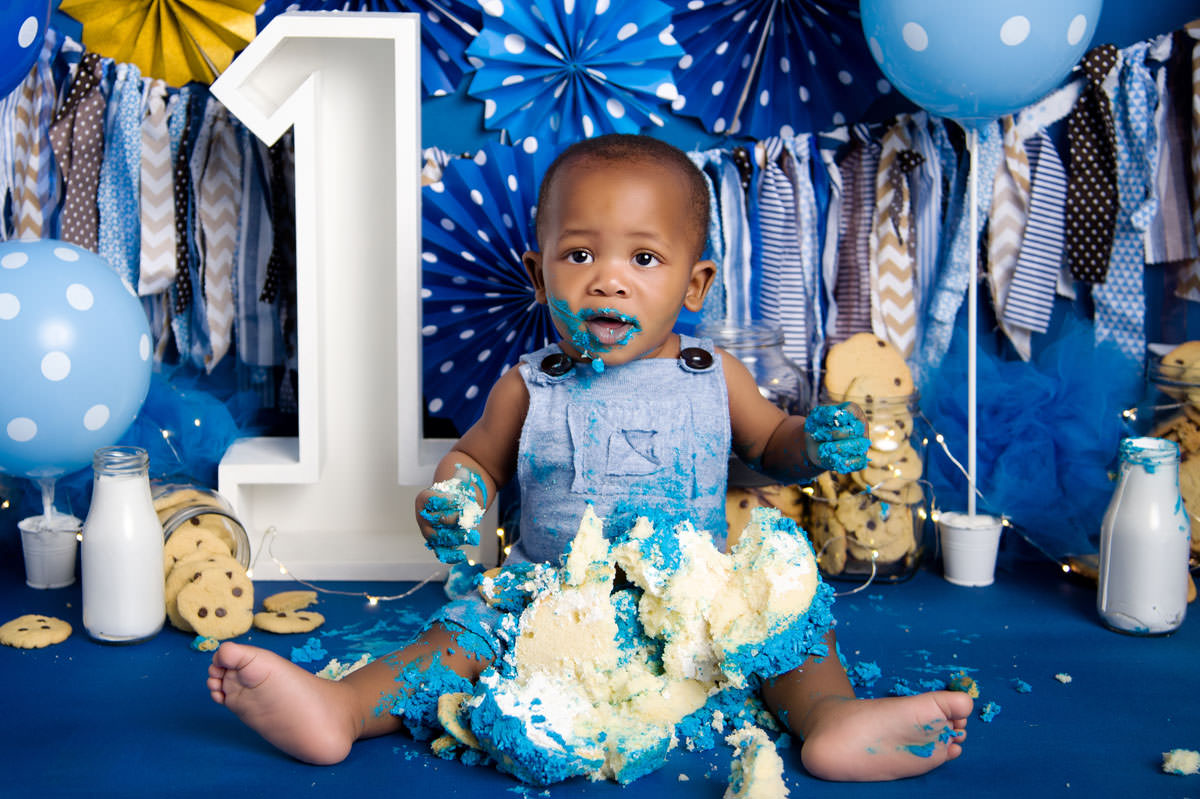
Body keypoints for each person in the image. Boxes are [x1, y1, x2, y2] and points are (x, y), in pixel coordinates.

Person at [207, 134, 972, 782]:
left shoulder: (714, 375)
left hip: (696, 604)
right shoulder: (530, 386)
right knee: (457, 637)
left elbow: (771, 445)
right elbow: (477, 461)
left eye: (645, 257)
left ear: (693, 282)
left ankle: (830, 717)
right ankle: (341, 708)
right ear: (540, 276)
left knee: (788, 621)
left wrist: (811, 442)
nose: (609, 277)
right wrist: (454, 497)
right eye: (579, 254)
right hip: (549, 597)